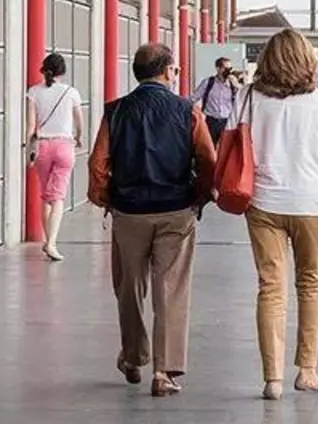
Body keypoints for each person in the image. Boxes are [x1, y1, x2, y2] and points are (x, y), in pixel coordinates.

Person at [234, 29, 318, 401]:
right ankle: (306, 371)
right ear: (306, 59)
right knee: (310, 284)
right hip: (308, 203)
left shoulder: (248, 97)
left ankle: (272, 379)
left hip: (262, 201)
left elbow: (233, 144)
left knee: (270, 288)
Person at [88, 43, 217, 396]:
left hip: (129, 212)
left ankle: (133, 357)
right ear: (167, 71)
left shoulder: (115, 111)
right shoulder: (188, 111)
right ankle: (164, 371)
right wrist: (199, 197)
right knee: (171, 289)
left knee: (129, 287)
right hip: (176, 210)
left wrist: (104, 198)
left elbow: (98, 163)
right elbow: (208, 160)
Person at [24, 52, 84, 262]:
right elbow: (79, 122)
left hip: (42, 146)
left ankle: (48, 240)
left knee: (46, 195)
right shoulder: (71, 92)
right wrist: (79, 138)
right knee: (57, 197)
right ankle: (51, 243)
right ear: (63, 71)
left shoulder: (33, 92)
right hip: (64, 146)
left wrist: (29, 151)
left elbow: (31, 126)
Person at [191, 56, 238, 144]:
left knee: (226, 147)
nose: (228, 72)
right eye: (226, 68)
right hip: (211, 121)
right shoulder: (208, 82)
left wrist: (237, 86)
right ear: (218, 69)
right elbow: (193, 98)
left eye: (230, 69)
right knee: (210, 146)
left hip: (227, 121)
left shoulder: (232, 84)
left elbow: (241, 100)